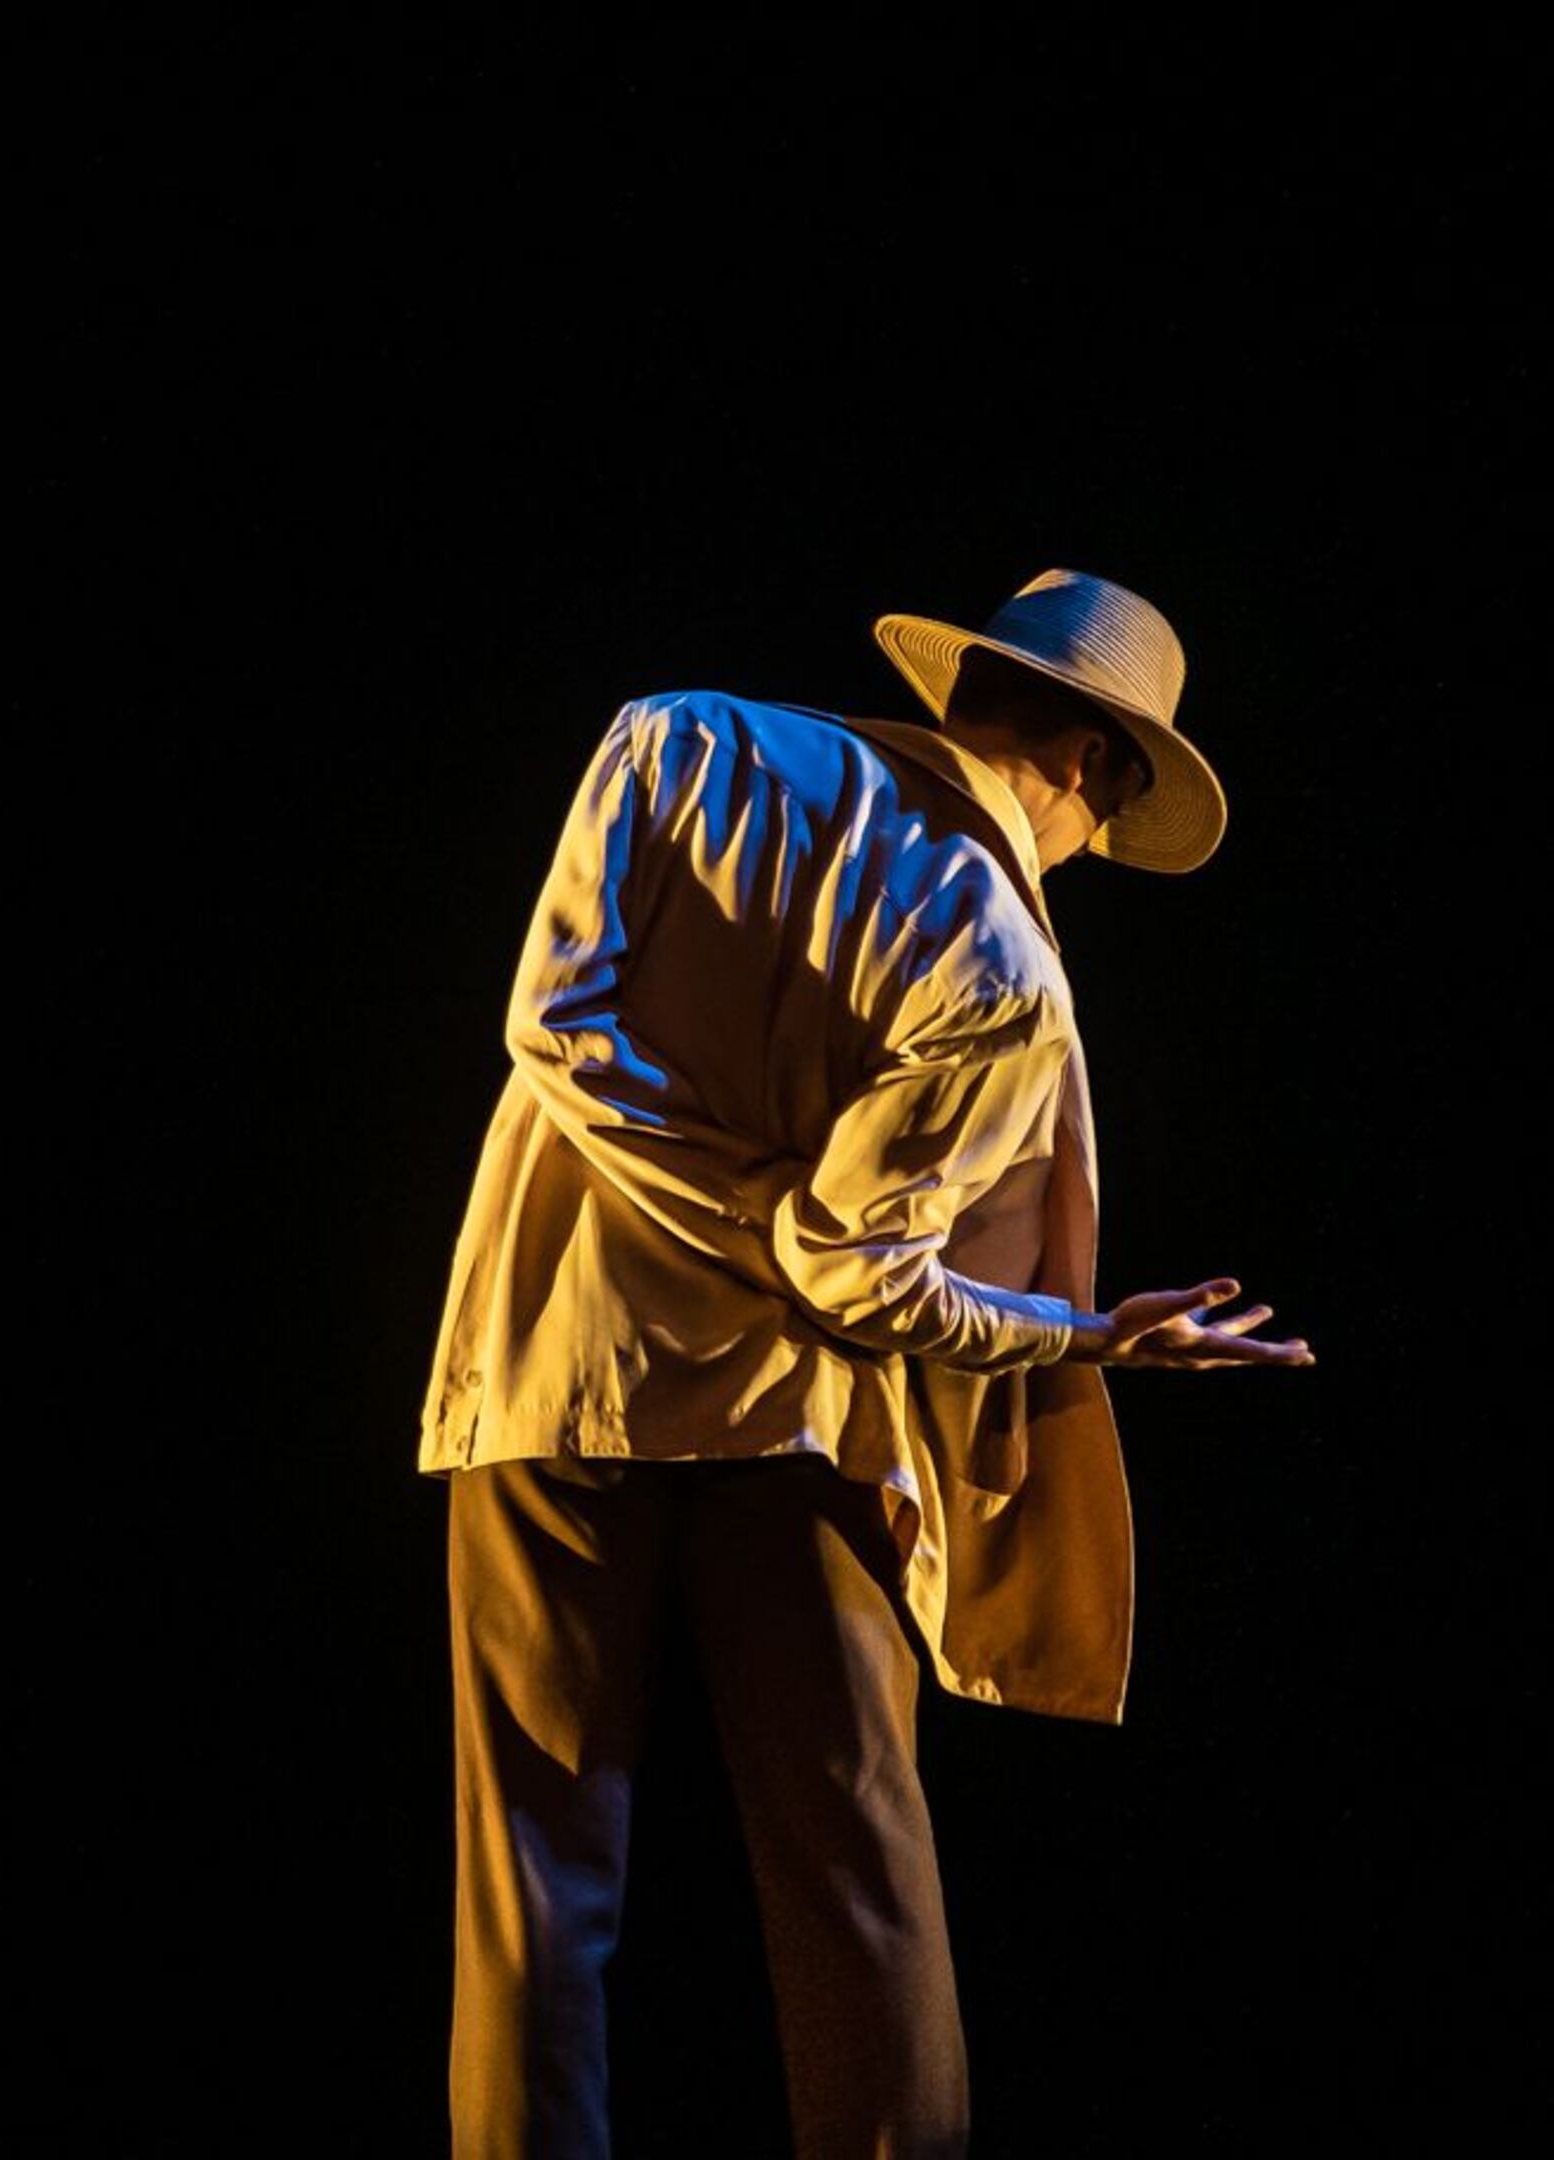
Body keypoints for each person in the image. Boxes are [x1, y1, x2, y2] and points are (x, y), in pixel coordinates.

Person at [420, 569, 1314, 2158]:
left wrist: (738, 1207)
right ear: (1092, 766)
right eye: (1104, 825)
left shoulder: (676, 739)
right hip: (800, 1417)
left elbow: (552, 1030)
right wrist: (1087, 1334)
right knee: (856, 1874)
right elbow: (854, 1268)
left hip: (550, 1367)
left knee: (534, 1886)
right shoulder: (1002, 965)